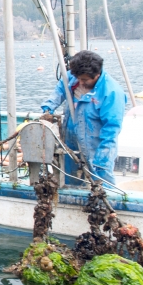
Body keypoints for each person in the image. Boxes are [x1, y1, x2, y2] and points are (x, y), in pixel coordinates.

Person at [41, 50, 127, 186]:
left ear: (97, 75)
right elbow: (59, 90)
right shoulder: (73, 77)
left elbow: (111, 129)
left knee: (101, 186)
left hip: (96, 148)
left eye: (85, 80)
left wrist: (102, 160)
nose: (80, 82)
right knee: (70, 181)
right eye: (78, 78)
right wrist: (48, 108)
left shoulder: (112, 93)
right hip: (70, 143)